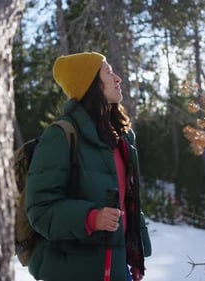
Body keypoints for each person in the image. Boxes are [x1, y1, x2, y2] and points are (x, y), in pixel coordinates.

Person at [25, 52, 152, 281]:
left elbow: (129, 201)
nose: (117, 78)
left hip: (118, 268)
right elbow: (40, 210)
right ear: (90, 84)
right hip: (71, 271)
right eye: (108, 71)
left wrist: (135, 254)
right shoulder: (60, 136)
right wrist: (92, 217)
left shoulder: (122, 138)